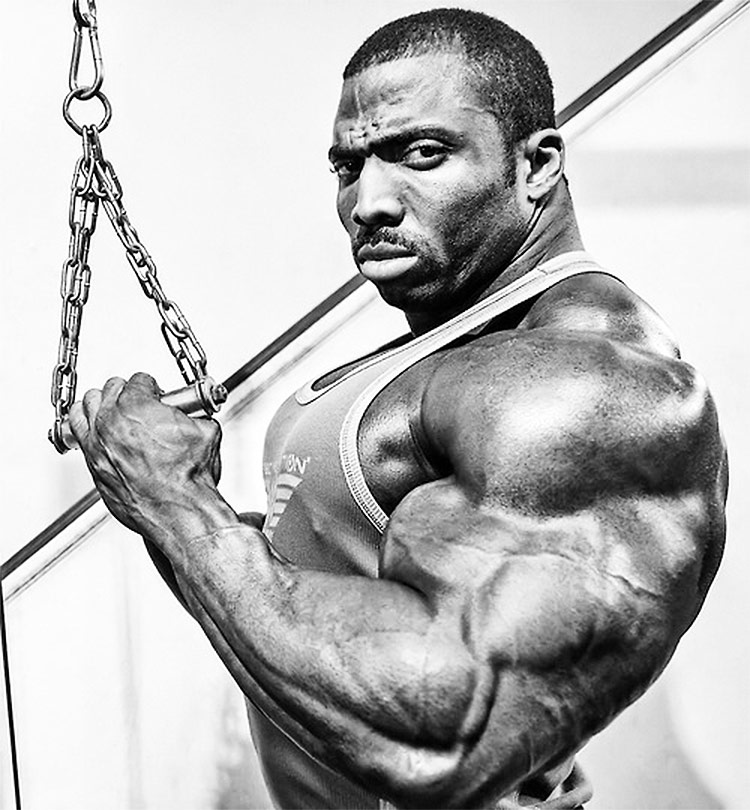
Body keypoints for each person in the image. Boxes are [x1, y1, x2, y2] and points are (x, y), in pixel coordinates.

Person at [69, 8, 727, 809]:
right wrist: (180, 503)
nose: (368, 202)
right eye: (349, 167)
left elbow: (446, 735)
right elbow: (311, 595)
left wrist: (175, 506)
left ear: (538, 164)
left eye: (421, 153)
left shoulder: (583, 383)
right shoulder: (448, 344)